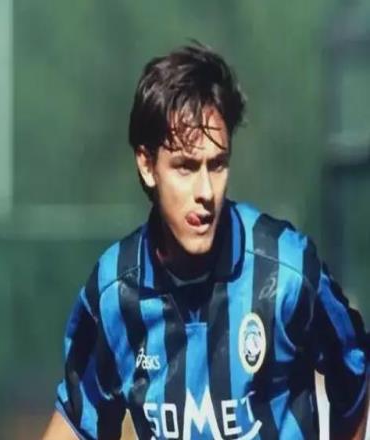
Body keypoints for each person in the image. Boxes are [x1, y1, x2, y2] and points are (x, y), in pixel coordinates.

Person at [43, 42, 368, 439]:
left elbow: (353, 372)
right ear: (147, 165)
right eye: (185, 167)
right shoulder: (115, 293)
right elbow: (76, 422)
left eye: (217, 165)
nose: (205, 191)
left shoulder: (287, 270)